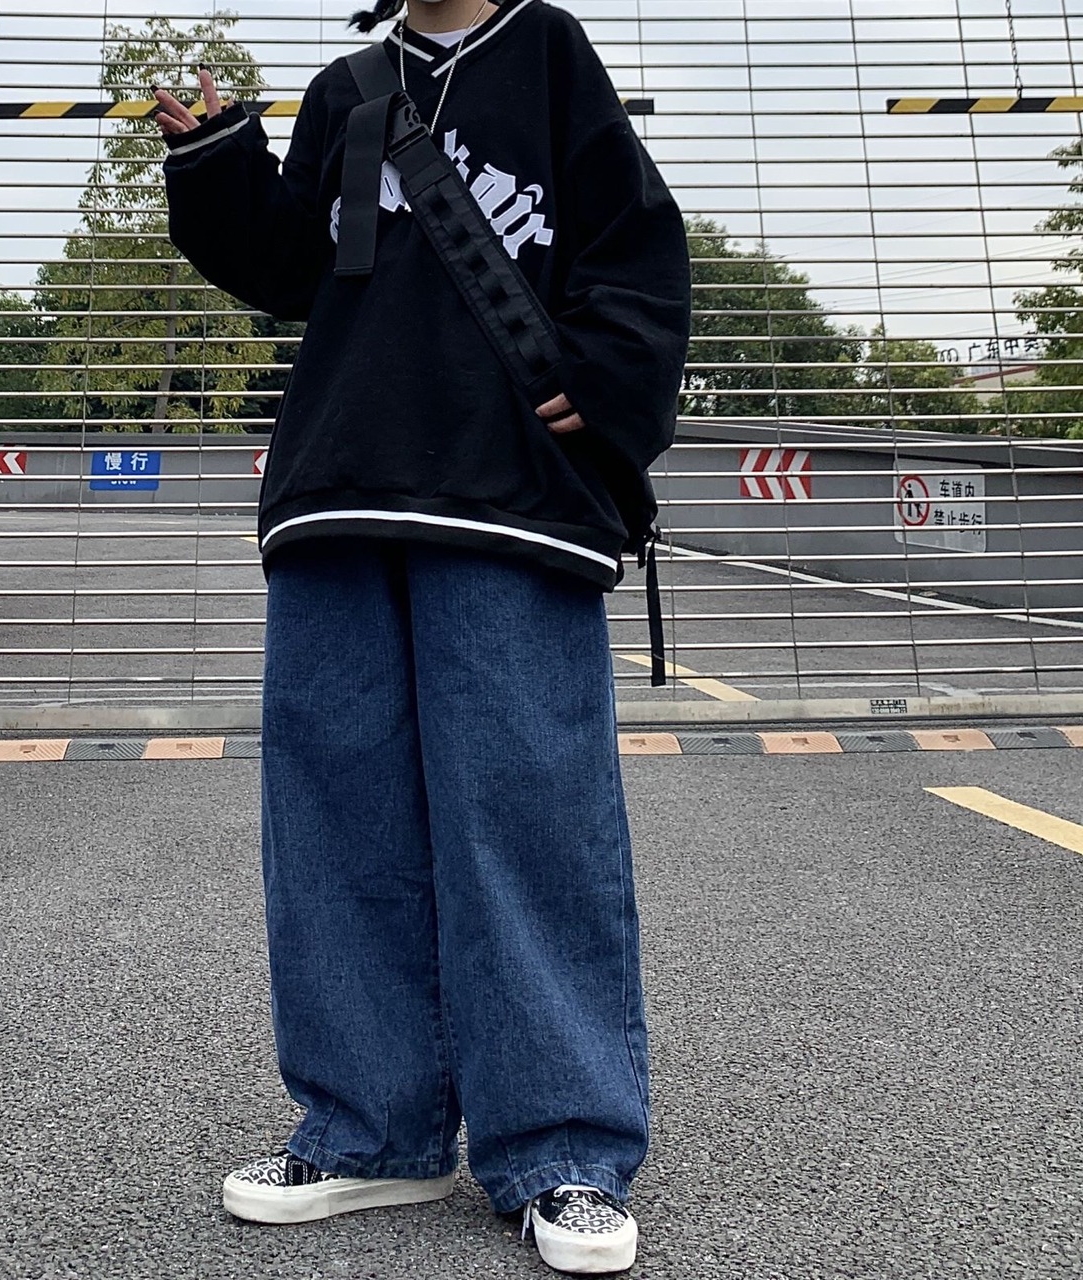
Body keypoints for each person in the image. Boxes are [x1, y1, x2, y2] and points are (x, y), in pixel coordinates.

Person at [157, 0, 690, 1272]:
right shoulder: (345, 87)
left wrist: (607, 371)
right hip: (338, 484)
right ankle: (370, 1129)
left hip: (506, 492)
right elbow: (291, 270)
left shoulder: (548, 51)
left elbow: (633, 241)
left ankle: (561, 1145)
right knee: (335, 821)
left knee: (525, 815)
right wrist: (216, 159)